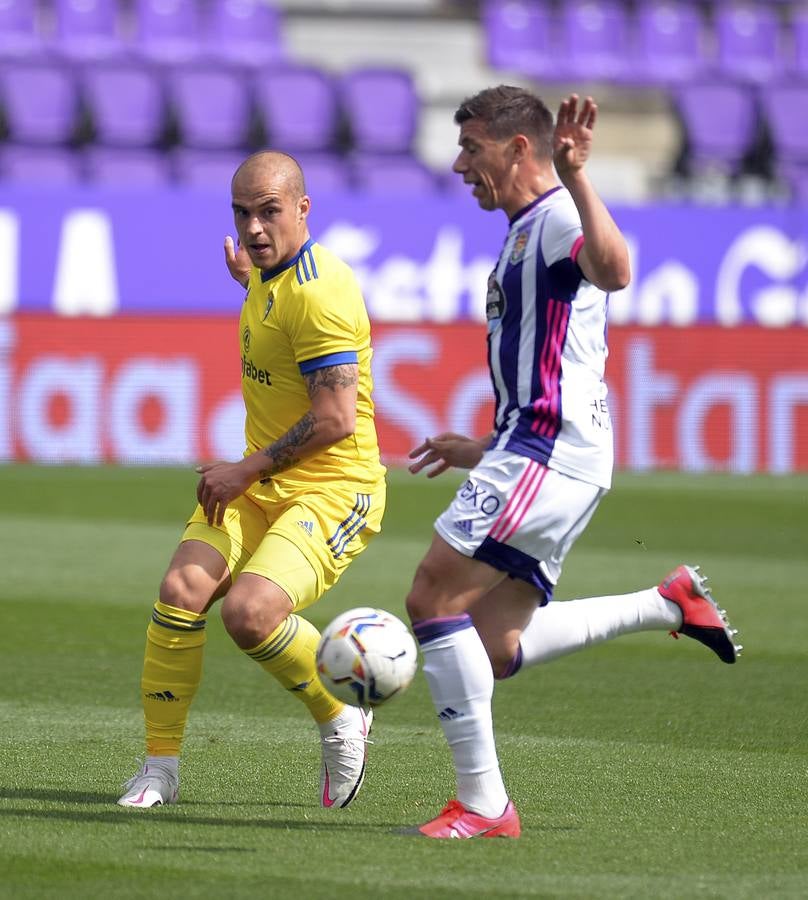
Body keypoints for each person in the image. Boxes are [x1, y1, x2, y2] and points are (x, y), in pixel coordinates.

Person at [404, 87, 741, 839]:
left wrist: (579, 175)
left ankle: (485, 807)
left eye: (472, 149)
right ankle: (667, 603)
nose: (461, 166)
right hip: (545, 450)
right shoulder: (524, 230)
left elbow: (617, 270)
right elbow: (556, 362)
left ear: (518, 148)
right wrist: (484, 448)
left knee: (431, 599)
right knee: (491, 648)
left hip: (548, 452)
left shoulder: (557, 215)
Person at [118, 150, 386, 810]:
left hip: (333, 489)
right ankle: (160, 767)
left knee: (249, 614)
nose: (254, 228)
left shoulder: (322, 293)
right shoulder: (268, 272)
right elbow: (278, 320)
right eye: (242, 213)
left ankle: (341, 710)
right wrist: (249, 281)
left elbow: (332, 419)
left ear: (303, 209)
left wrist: (244, 469)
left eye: (269, 211)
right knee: (181, 589)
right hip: (265, 485)